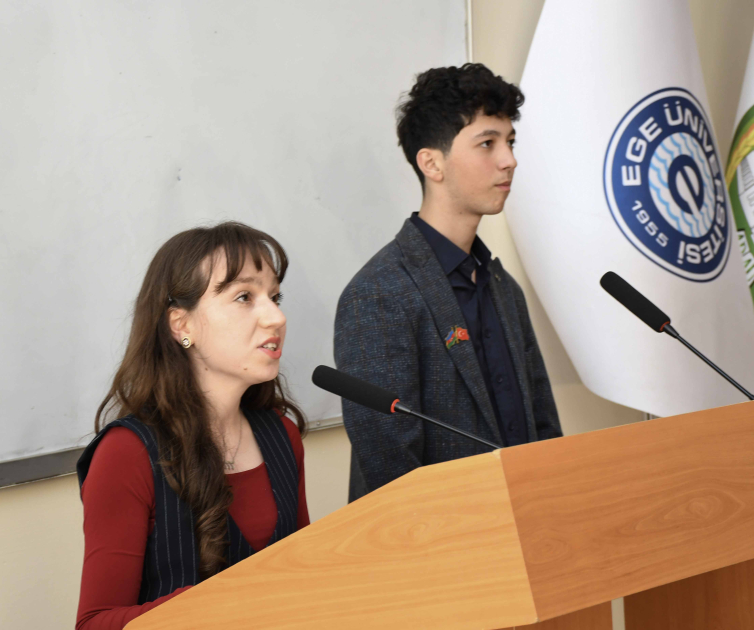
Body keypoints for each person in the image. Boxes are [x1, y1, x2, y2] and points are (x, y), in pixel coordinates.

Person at [335, 63, 563, 502]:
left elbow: (543, 427)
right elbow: (389, 468)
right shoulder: (378, 294)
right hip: (444, 536)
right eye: (487, 143)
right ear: (432, 163)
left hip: (531, 521)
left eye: (510, 142)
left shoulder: (503, 287)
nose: (509, 160)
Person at [75, 222, 309, 629]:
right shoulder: (127, 453)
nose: (276, 317)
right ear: (182, 326)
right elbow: (95, 623)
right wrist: (215, 605)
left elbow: (304, 576)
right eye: (244, 297)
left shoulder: (281, 434)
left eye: (275, 297)